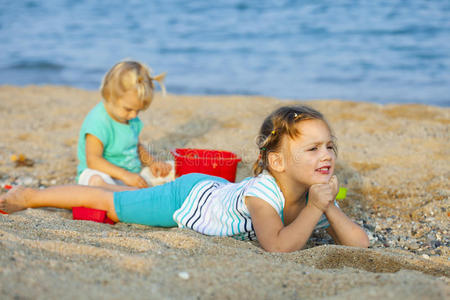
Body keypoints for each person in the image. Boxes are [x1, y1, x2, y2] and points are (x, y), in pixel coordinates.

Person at [0, 105, 369, 252]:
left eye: (329, 146)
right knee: (113, 205)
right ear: (277, 161)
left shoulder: (314, 193)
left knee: (120, 198)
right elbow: (276, 247)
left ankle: (103, 184)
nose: (326, 156)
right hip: (186, 199)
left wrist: (329, 206)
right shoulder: (263, 193)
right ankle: (31, 196)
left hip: (216, 190)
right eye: (313, 149)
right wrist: (316, 208)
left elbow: (359, 245)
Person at [76, 60, 172, 190]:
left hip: (131, 175)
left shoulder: (131, 119)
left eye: (138, 110)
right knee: (93, 179)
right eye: (128, 109)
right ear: (109, 96)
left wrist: (152, 163)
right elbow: (93, 160)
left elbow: (136, 146)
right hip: (103, 174)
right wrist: (124, 175)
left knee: (170, 168)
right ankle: (113, 191)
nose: (133, 115)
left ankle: (127, 193)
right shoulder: (98, 121)